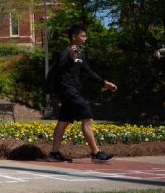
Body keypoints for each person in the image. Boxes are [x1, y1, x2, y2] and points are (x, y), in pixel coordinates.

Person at [47, 25, 118, 164]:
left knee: (63, 121)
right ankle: (96, 153)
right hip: (67, 90)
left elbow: (87, 72)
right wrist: (71, 58)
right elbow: (59, 69)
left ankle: (54, 154)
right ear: (74, 37)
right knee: (87, 117)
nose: (86, 38)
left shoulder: (80, 53)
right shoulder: (67, 51)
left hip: (72, 90)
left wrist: (104, 82)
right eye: (83, 36)